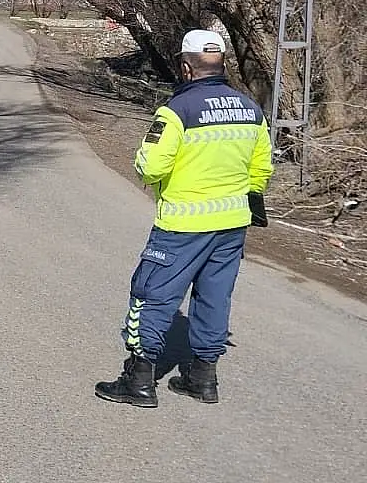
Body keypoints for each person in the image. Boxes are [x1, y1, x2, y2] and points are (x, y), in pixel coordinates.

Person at [95, 29, 274, 407]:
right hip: (232, 225)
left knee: (153, 294)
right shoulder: (250, 109)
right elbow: (261, 171)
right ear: (220, 64)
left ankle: (140, 380)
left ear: (185, 67)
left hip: (182, 225)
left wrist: (143, 161)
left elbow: (152, 167)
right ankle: (203, 378)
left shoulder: (177, 111)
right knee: (214, 297)